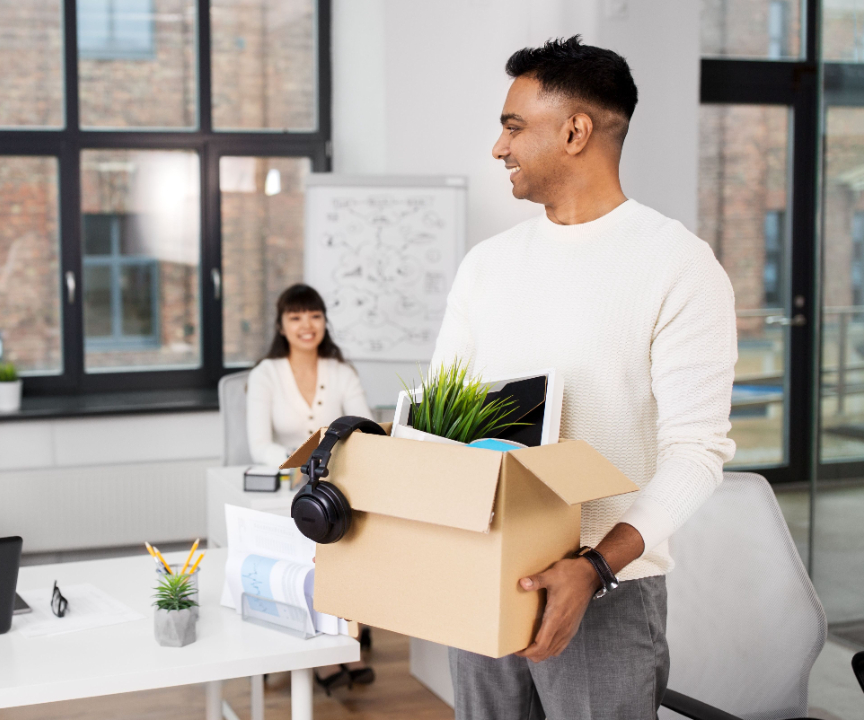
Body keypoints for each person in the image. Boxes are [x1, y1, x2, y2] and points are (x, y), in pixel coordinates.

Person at [431, 38, 736, 719]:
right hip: (485, 575)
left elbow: (697, 453)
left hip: (609, 594)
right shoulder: (486, 266)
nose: (497, 147)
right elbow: (440, 430)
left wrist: (595, 567)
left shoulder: (677, 266)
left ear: (575, 131)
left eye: (513, 126)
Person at [247, 284, 372, 466]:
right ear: (281, 328)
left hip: (334, 476)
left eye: (315, 316)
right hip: (286, 477)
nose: (307, 325)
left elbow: (368, 433)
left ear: (325, 322)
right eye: (295, 318)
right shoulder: (265, 374)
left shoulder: (343, 372)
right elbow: (260, 447)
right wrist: (302, 462)